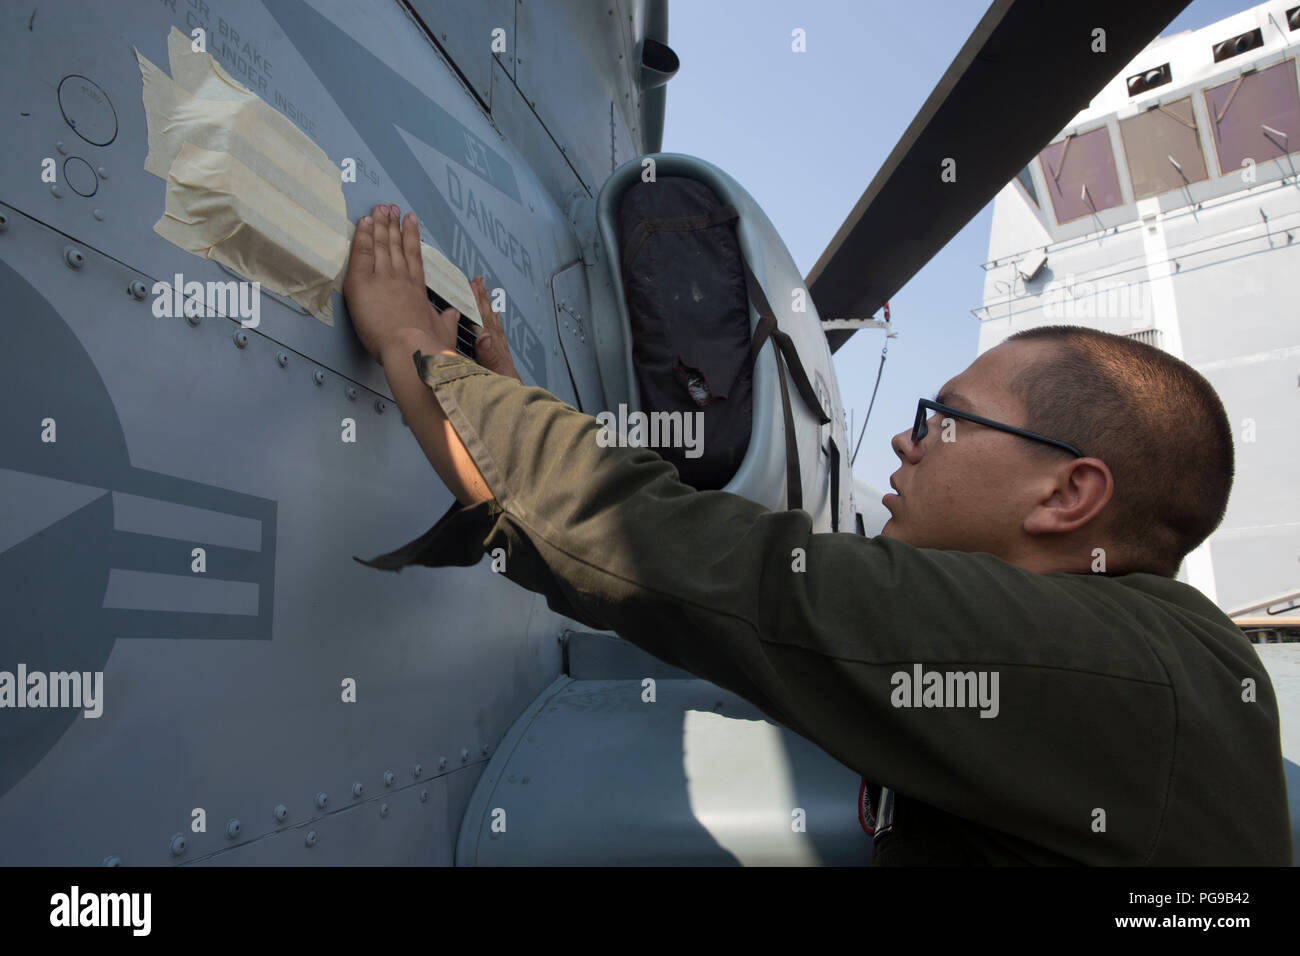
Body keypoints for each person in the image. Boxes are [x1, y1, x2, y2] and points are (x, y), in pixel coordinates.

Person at [344, 203, 1291, 865]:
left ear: (1067, 494)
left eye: (943, 418)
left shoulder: (1095, 668)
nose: (903, 440)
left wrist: (422, 357)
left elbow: (710, 566)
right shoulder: (1169, 661)